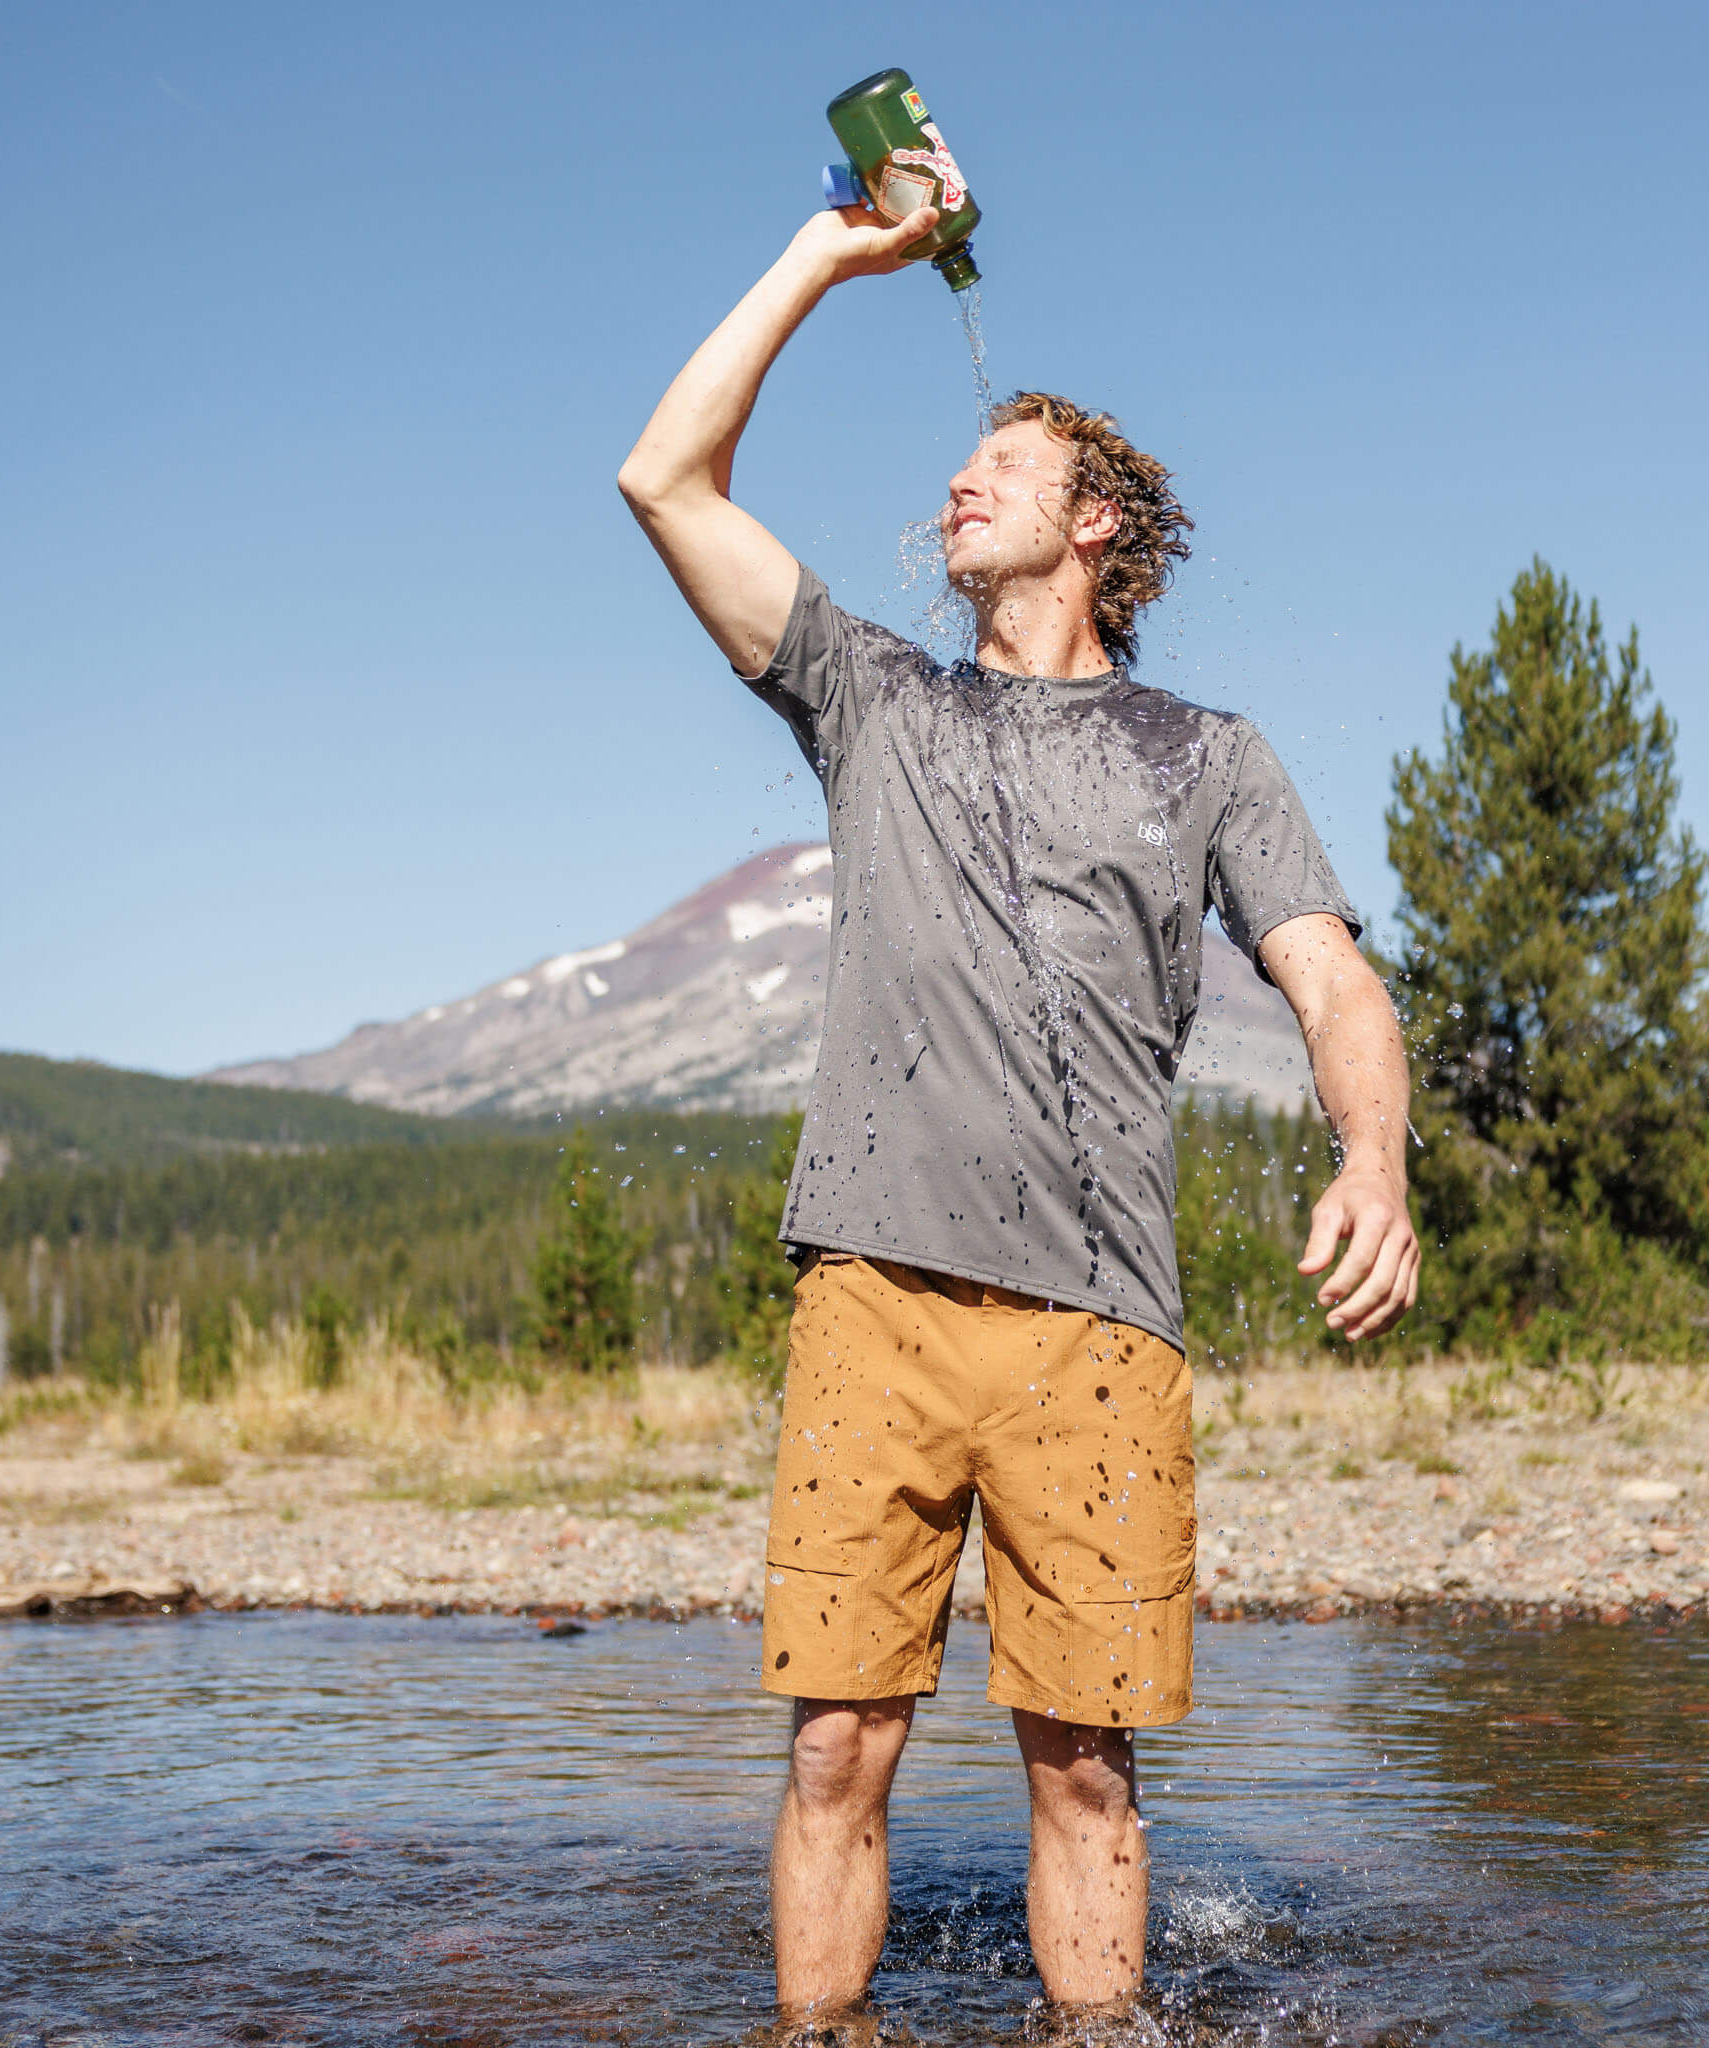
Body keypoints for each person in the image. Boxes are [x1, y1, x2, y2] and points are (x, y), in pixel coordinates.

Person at [618, 198, 1418, 2018]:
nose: (958, 487)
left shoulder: (1206, 756)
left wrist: (1373, 1152)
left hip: (1101, 1332)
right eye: (964, 464)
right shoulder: (869, 701)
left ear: (1097, 524)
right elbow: (666, 476)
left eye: (1003, 465)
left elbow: (1332, 976)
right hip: (871, 1305)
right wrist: (831, 258)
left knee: (1085, 1770)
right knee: (836, 1750)